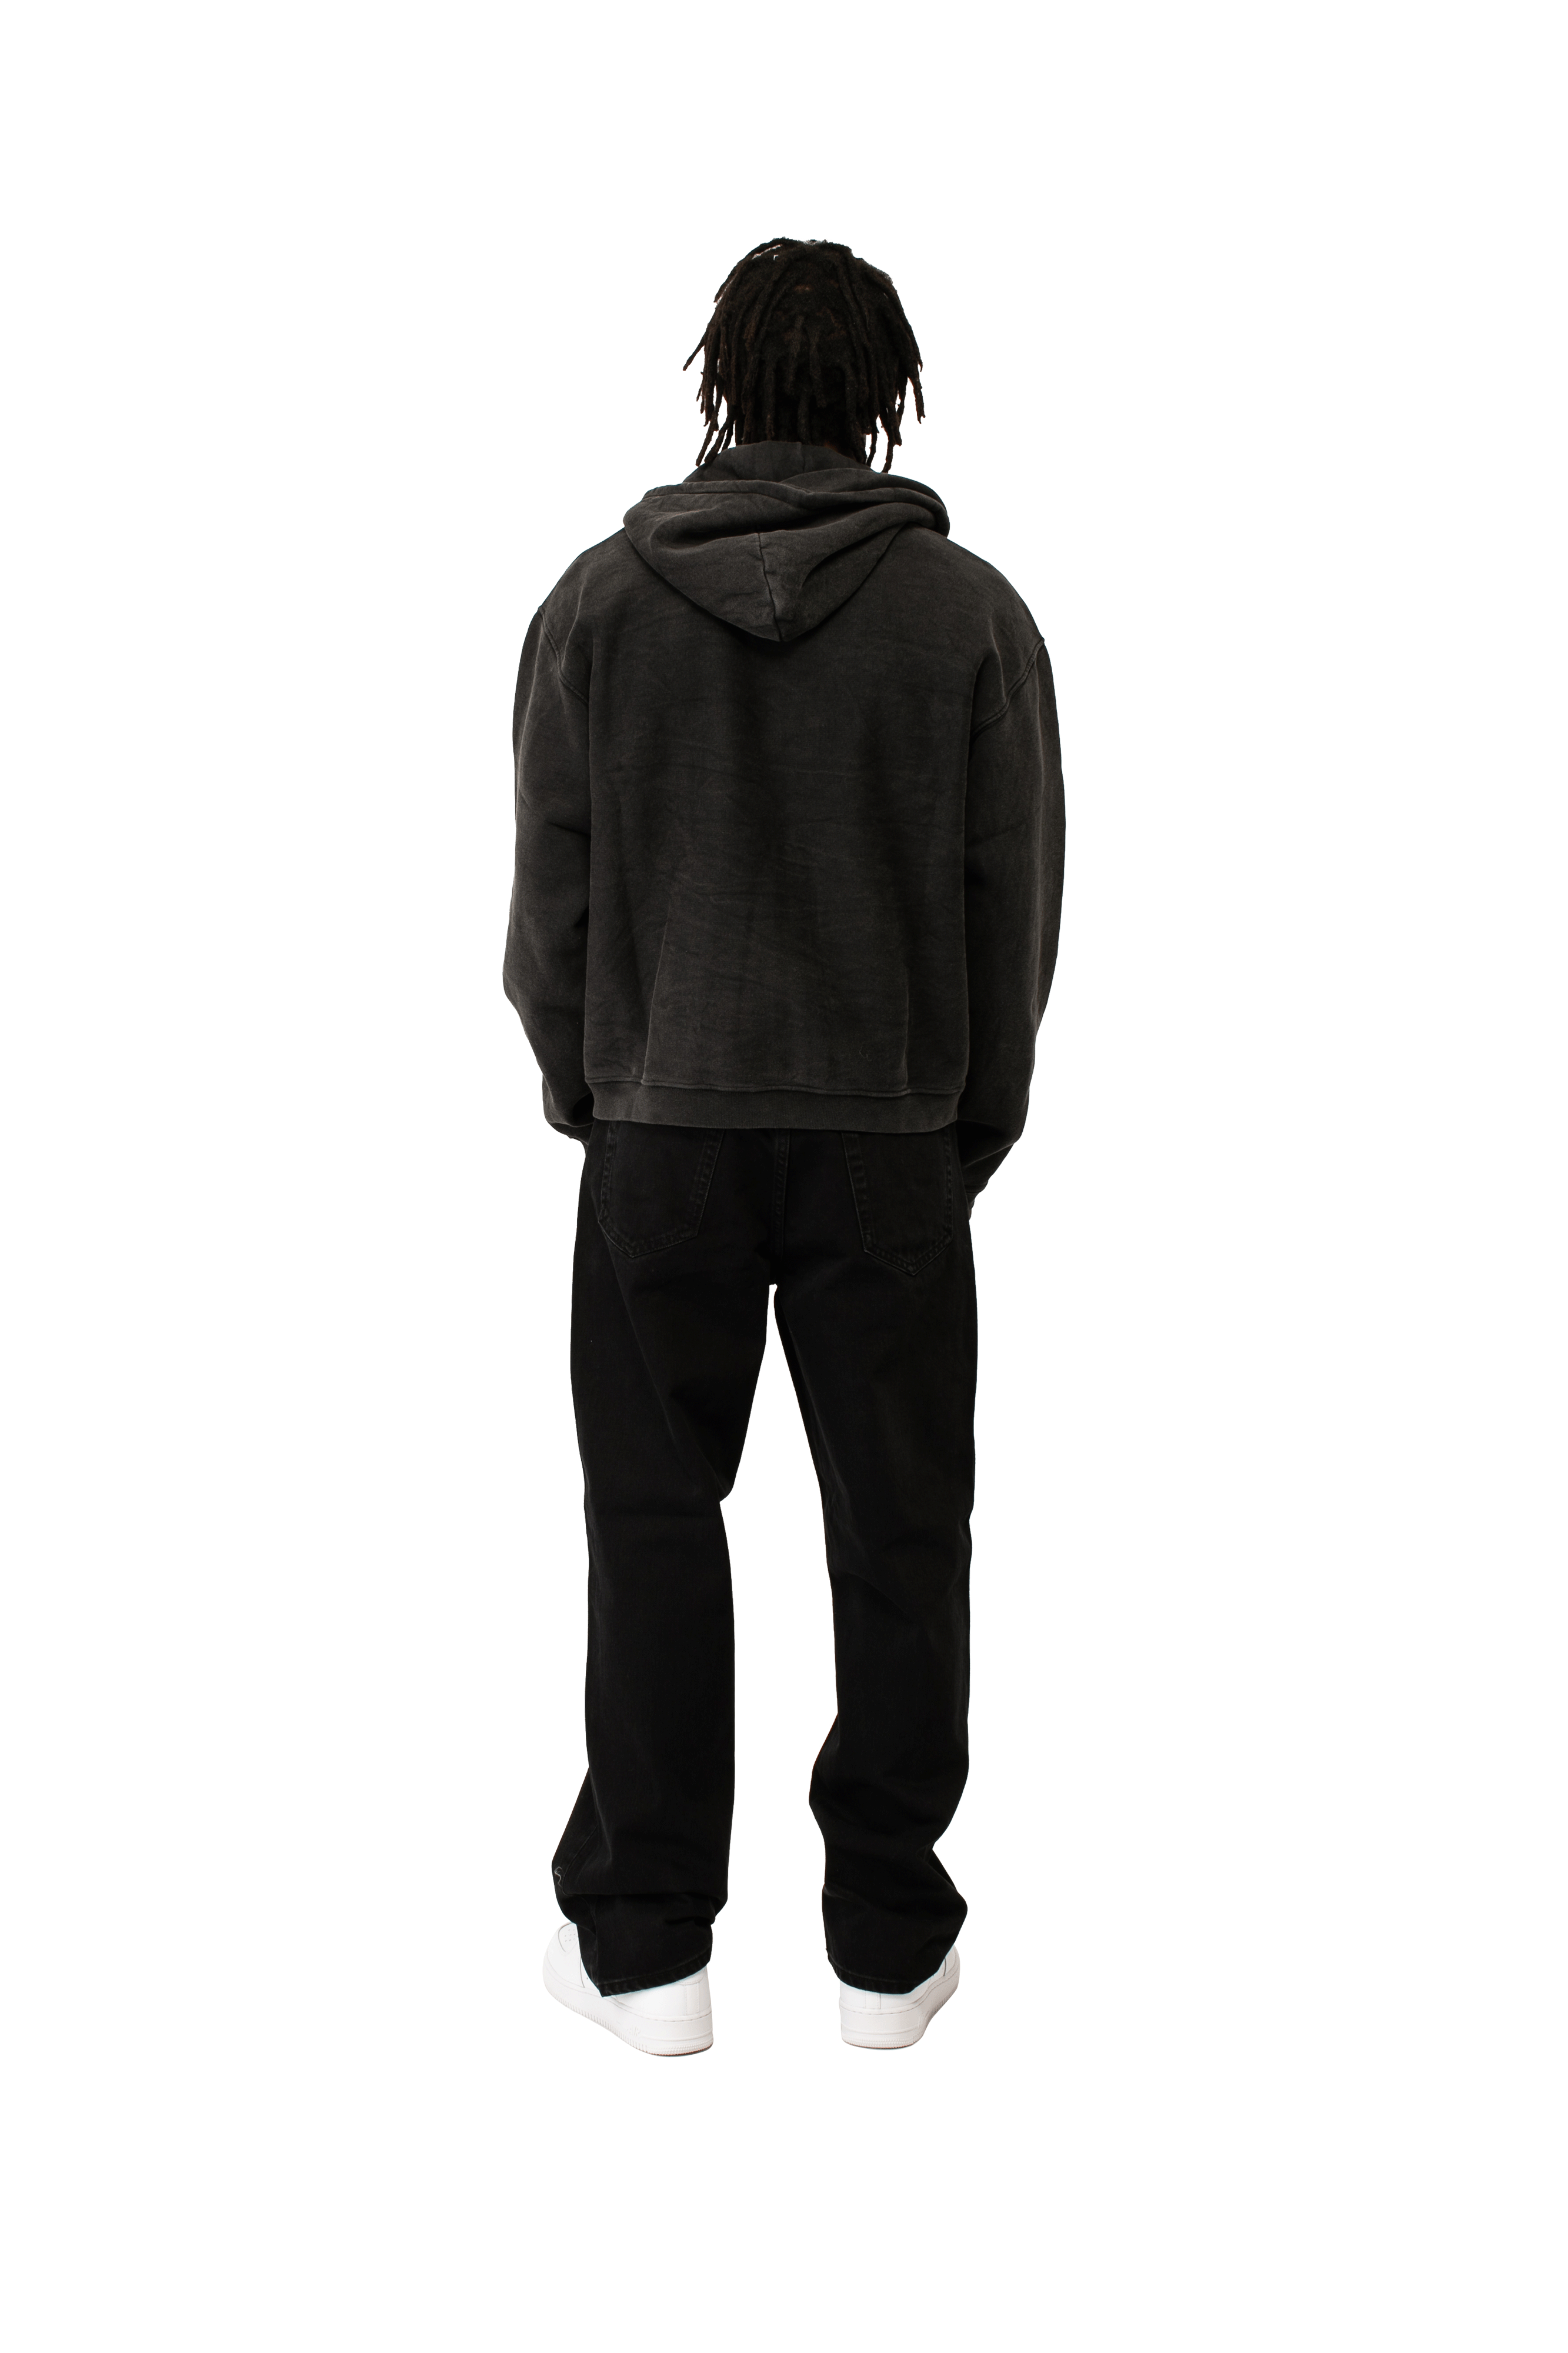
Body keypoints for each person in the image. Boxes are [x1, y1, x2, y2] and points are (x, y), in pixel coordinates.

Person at [505, 237, 1065, 2055]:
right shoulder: (968, 619)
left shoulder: (600, 605)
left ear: (722, 381)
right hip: (885, 1141)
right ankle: (888, 1949)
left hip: (660, 1133)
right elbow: (1010, 913)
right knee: (903, 1531)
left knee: (651, 1520)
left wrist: (599, 1087)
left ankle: (648, 1950)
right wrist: (965, 1125)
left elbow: (551, 907)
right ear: (882, 393)